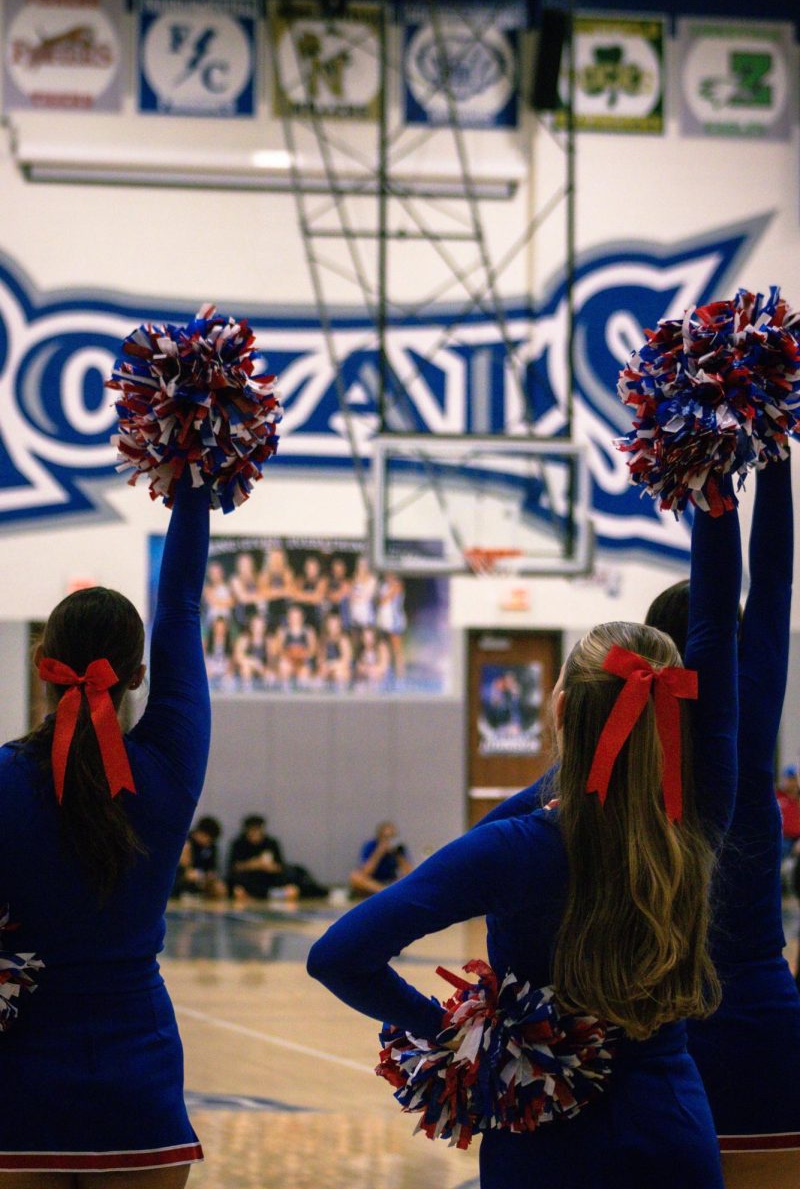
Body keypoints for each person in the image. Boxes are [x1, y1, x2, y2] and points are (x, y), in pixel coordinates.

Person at [308, 500, 741, 1189]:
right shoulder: (699, 812)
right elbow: (720, 614)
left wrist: (451, 1035)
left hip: (546, 1156)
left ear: (561, 707)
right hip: (676, 1140)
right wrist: (718, 479)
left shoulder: (512, 849)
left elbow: (337, 955)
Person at [0, 475, 211, 1181]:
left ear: (42, 669)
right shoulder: (171, 767)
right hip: (138, 1076)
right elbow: (180, 603)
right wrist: (194, 476)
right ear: (139, 674)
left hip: (19, 1076)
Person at [647, 460, 800, 1187]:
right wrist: (772, 455)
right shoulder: (744, 719)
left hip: (659, 1023)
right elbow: (772, 586)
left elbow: (734, 604)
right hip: (763, 1012)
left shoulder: (625, 757)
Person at [227, 814, 299, 903]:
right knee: (237, 886)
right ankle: (266, 894)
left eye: (257, 830)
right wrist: (252, 865)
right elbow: (233, 867)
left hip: (268, 878)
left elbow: (280, 866)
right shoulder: (238, 843)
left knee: (290, 885)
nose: (254, 834)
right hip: (248, 879)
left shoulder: (271, 843)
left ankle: (267, 894)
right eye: (252, 831)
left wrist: (269, 867)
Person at [349, 822, 413, 897]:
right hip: (374, 884)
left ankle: (388, 893)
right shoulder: (371, 846)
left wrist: (398, 855)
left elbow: (409, 872)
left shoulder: (399, 848)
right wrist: (379, 852)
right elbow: (365, 872)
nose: (389, 841)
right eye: (386, 837)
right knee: (355, 876)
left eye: (392, 837)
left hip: (391, 882)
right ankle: (387, 893)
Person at [173, 816, 226, 901]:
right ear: (200, 833)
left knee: (220, 888)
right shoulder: (186, 841)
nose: (209, 842)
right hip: (183, 877)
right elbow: (184, 867)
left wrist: (209, 877)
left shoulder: (211, 847)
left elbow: (212, 869)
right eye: (208, 838)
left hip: (202, 880)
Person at [276, 604, 317, 689]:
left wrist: (301, 655)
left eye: (297, 617)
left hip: (303, 661)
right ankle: (285, 692)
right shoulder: (283, 631)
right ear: (288, 618)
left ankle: (302, 694)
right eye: (292, 617)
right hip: (288, 660)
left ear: (302, 618)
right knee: (283, 665)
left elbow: (313, 650)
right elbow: (279, 649)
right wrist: (290, 655)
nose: (295, 619)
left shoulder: (308, 631)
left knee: (304, 671)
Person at [376, 573, 407, 680]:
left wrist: (381, 600)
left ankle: (400, 675)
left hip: (395, 621)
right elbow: (379, 601)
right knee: (385, 647)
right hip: (384, 621)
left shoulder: (398, 585)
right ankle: (387, 672)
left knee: (397, 649)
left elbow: (384, 600)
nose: (388, 576)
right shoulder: (383, 585)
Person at [318, 612, 353, 690]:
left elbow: (346, 660)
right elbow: (320, 659)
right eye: (330, 624)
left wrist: (333, 666)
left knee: (338, 673)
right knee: (319, 675)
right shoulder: (324, 640)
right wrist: (326, 666)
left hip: (340, 668)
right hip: (327, 668)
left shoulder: (343, 640)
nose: (332, 627)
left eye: (335, 625)